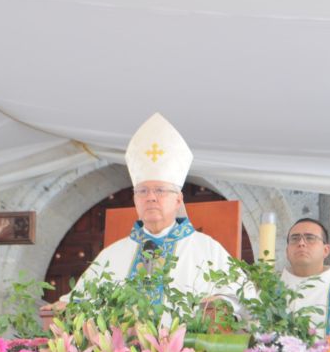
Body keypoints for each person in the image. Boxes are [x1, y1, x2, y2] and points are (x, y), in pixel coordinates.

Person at [41, 112, 249, 325]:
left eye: (160, 190)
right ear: (135, 199)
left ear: (178, 200)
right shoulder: (112, 255)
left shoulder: (207, 250)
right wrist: (66, 305)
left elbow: (245, 298)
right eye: (142, 191)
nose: (150, 197)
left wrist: (221, 301)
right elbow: (80, 300)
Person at [280, 218, 330, 336]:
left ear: (326, 250)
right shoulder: (270, 292)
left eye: (310, 238)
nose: (301, 243)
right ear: (287, 251)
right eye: (294, 239)